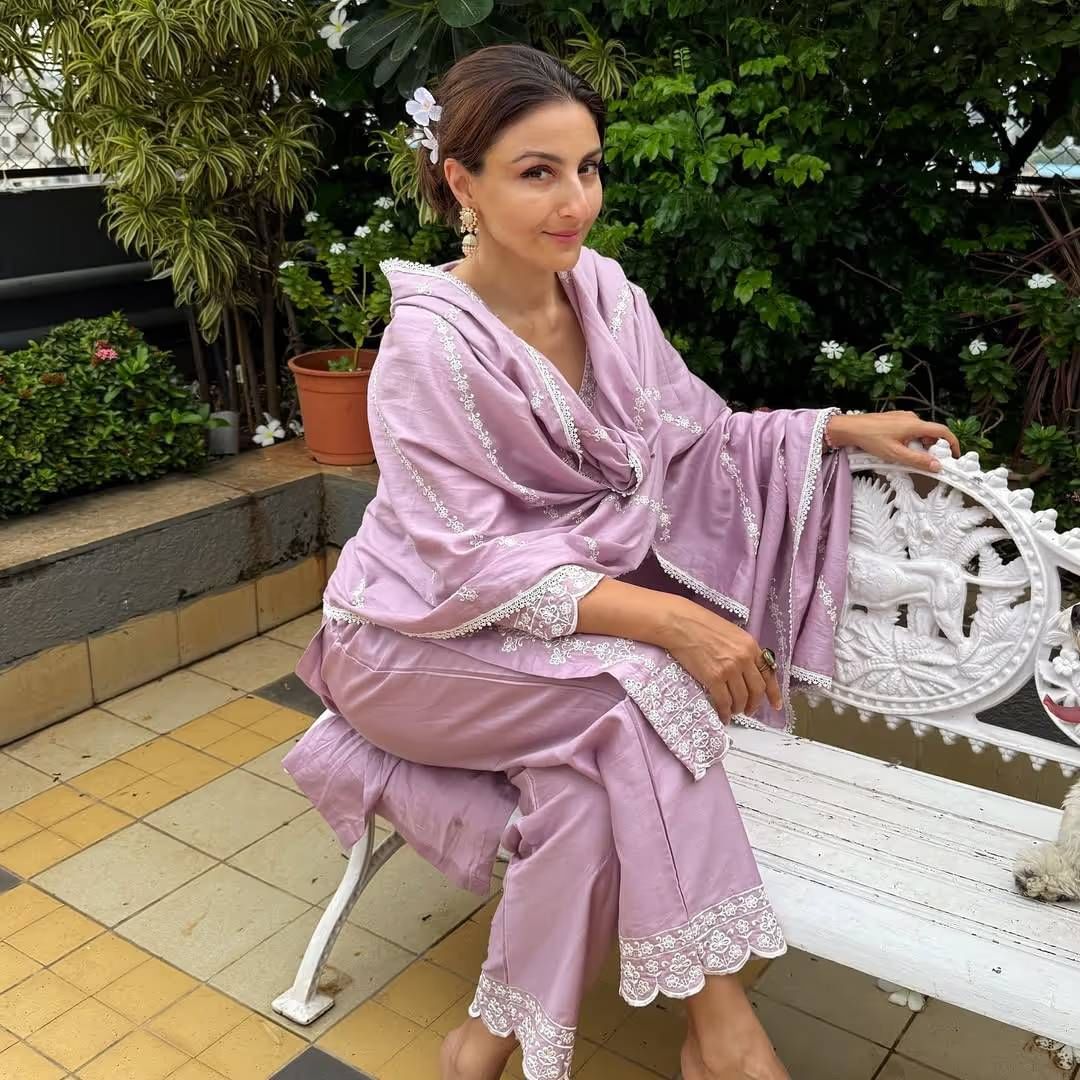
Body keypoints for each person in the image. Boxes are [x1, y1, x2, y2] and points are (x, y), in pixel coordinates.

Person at [285, 42, 960, 1080]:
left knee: (590, 795)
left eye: (588, 168)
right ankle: (723, 1034)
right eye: (538, 172)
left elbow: (692, 437)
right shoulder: (429, 347)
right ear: (462, 182)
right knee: (639, 688)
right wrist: (673, 620)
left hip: (539, 654)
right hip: (406, 645)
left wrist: (831, 428)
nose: (576, 202)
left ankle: (483, 1042)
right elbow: (465, 561)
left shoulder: (604, 296)